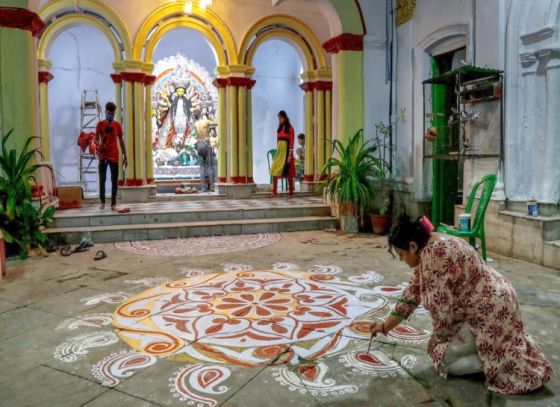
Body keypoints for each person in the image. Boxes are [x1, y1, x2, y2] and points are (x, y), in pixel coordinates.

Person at [368, 215, 553, 394]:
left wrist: (438, 339)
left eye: (401, 254)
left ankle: (496, 362)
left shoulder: (433, 256)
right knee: (442, 348)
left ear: (413, 246)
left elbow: (441, 310)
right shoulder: (435, 242)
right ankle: (500, 351)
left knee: (443, 360)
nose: (402, 260)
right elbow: (411, 295)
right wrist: (384, 326)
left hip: (489, 312)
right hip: (501, 300)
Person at [94, 102, 127, 210]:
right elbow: (95, 138)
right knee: (102, 179)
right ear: (105, 112)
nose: (110, 115)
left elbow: (121, 142)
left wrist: (125, 156)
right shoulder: (99, 125)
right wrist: (98, 144)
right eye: (109, 113)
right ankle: (102, 201)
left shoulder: (117, 125)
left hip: (114, 156)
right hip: (103, 156)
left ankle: (113, 203)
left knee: (114, 180)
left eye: (112, 113)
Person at [269, 110, 295, 197]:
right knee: (274, 170)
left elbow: (291, 142)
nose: (279, 120)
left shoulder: (290, 129)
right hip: (279, 153)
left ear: (285, 118)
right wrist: (277, 153)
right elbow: (278, 142)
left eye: (281, 118)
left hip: (287, 152)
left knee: (289, 173)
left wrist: (289, 155)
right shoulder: (279, 129)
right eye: (278, 118)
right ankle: (274, 192)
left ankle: (291, 192)